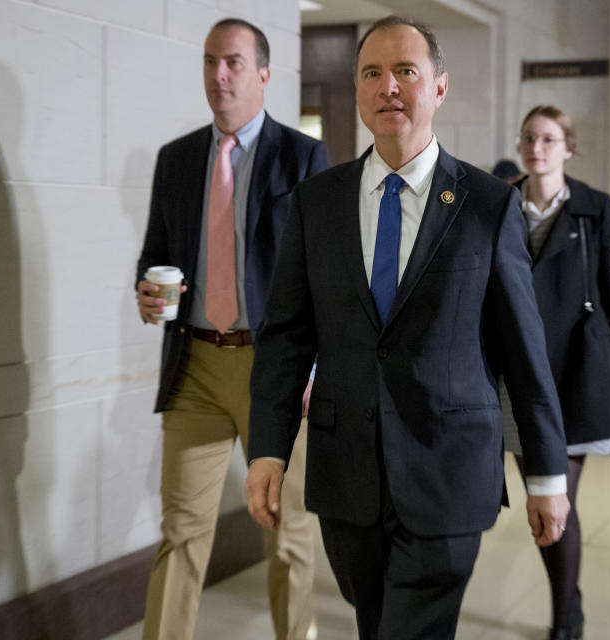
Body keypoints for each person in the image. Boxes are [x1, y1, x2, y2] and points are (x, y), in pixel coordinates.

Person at [245, 16, 571, 640]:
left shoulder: (487, 205)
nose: (388, 86)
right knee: (376, 626)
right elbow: (287, 336)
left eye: (406, 72)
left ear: (439, 89)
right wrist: (269, 447)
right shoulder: (318, 203)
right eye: (372, 73)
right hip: (348, 479)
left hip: (448, 472)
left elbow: (523, 351)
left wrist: (547, 475)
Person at [134, 17, 328, 640]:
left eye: (234, 63)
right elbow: (154, 254)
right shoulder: (177, 159)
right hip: (194, 366)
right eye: (211, 61)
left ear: (264, 75)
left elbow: (326, 277)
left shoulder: (302, 156)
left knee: (288, 532)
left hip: (274, 370)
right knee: (181, 533)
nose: (219, 75)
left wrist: (314, 369)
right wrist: (146, 290)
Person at [507, 104, 610, 640]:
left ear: (568, 147)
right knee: (543, 503)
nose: (536, 148)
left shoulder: (594, 209)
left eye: (547, 139)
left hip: (577, 371)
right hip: (519, 377)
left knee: (556, 497)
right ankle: (569, 601)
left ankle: (565, 616)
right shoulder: (502, 204)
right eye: (528, 138)